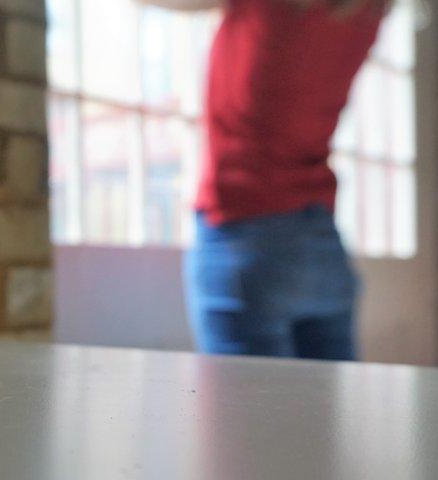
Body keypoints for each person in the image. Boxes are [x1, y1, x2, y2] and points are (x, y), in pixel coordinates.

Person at [138, 0, 389, 360]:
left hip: (246, 231)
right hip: (320, 243)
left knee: (248, 416)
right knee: (330, 415)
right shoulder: (367, 10)